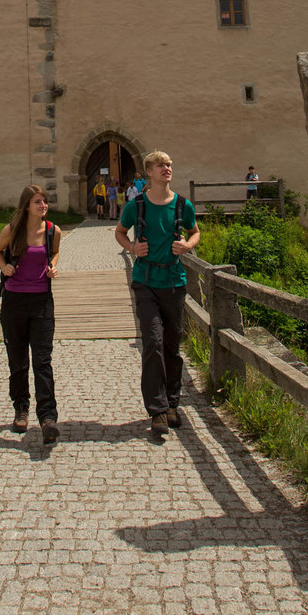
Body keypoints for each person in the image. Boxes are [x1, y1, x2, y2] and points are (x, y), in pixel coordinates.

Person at [115, 150, 199, 436]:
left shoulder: (183, 205)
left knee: (173, 346)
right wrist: (132, 248)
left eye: (170, 164)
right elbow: (120, 232)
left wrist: (188, 245)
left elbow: (195, 231)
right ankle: (157, 410)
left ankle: (172, 403)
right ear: (148, 171)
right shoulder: (136, 206)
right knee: (153, 342)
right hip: (146, 281)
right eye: (161, 165)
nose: (167, 168)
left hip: (174, 281)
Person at [0, 184, 61, 444]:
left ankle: (47, 417)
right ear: (26, 206)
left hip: (42, 302)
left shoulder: (53, 231)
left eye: (44, 201)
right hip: (15, 302)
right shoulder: (12, 231)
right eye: (37, 202)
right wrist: (4, 267)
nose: (43, 205)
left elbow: (54, 253)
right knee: (18, 361)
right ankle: (21, 407)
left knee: (42, 360)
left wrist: (53, 266)